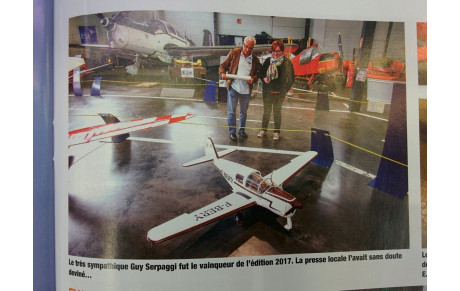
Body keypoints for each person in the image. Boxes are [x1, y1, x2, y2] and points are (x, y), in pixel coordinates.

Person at [219, 36, 261, 142]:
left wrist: (254, 79)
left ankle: (241, 131)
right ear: (243, 44)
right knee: (231, 112)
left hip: (246, 90)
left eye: (250, 48)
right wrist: (222, 74)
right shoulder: (234, 53)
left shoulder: (255, 60)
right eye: (246, 46)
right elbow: (222, 66)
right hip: (234, 87)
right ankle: (232, 132)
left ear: (253, 48)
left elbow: (257, 74)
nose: (247, 50)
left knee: (243, 112)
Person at [258, 40, 294, 140]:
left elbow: (291, 78)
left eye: (278, 51)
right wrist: (263, 78)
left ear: (282, 51)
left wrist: (285, 90)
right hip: (267, 92)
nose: (275, 53)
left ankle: (276, 131)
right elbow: (261, 73)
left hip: (279, 92)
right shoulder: (268, 61)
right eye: (273, 51)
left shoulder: (287, 62)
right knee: (266, 111)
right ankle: (263, 129)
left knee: (277, 111)